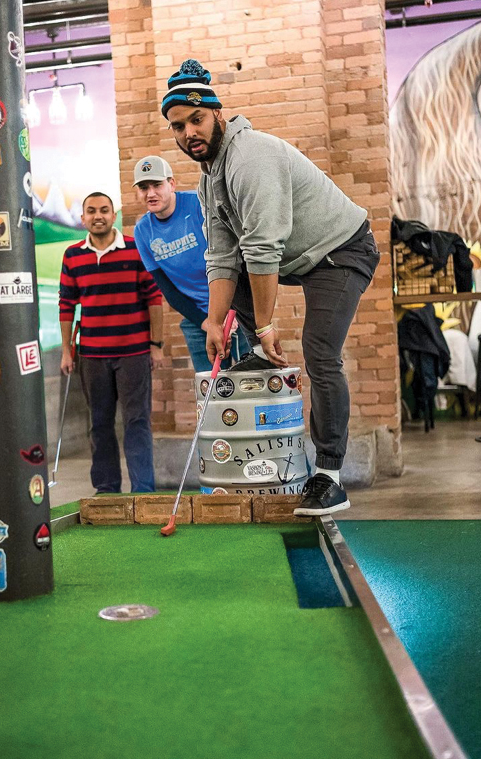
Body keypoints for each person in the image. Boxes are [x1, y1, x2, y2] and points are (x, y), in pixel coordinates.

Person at [162, 60, 381, 516]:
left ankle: (330, 476)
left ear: (218, 114)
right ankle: (257, 350)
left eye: (196, 120)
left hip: (342, 250)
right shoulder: (210, 178)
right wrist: (215, 321)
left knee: (320, 351)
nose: (188, 134)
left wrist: (264, 326)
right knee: (235, 271)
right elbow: (222, 256)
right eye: (178, 127)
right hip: (298, 258)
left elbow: (262, 249)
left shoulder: (251, 158)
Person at [59, 191, 163, 494]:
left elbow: (154, 298)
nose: (98, 216)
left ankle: (144, 490)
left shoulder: (134, 248)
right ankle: (106, 491)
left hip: (134, 353)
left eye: (104, 210)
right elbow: (66, 304)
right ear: (83, 218)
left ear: (113, 215)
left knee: (137, 422)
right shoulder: (73, 255)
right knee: (100, 424)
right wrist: (67, 351)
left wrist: (156, 345)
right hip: (91, 356)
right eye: (91, 211)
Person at [132, 155, 250, 372]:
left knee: (253, 382)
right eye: (143, 187)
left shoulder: (199, 203)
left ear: (171, 183)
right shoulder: (141, 232)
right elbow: (168, 289)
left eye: (157, 185)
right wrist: (206, 322)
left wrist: (233, 309)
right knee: (212, 390)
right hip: (198, 319)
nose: (150, 193)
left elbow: (236, 256)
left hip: (237, 312)